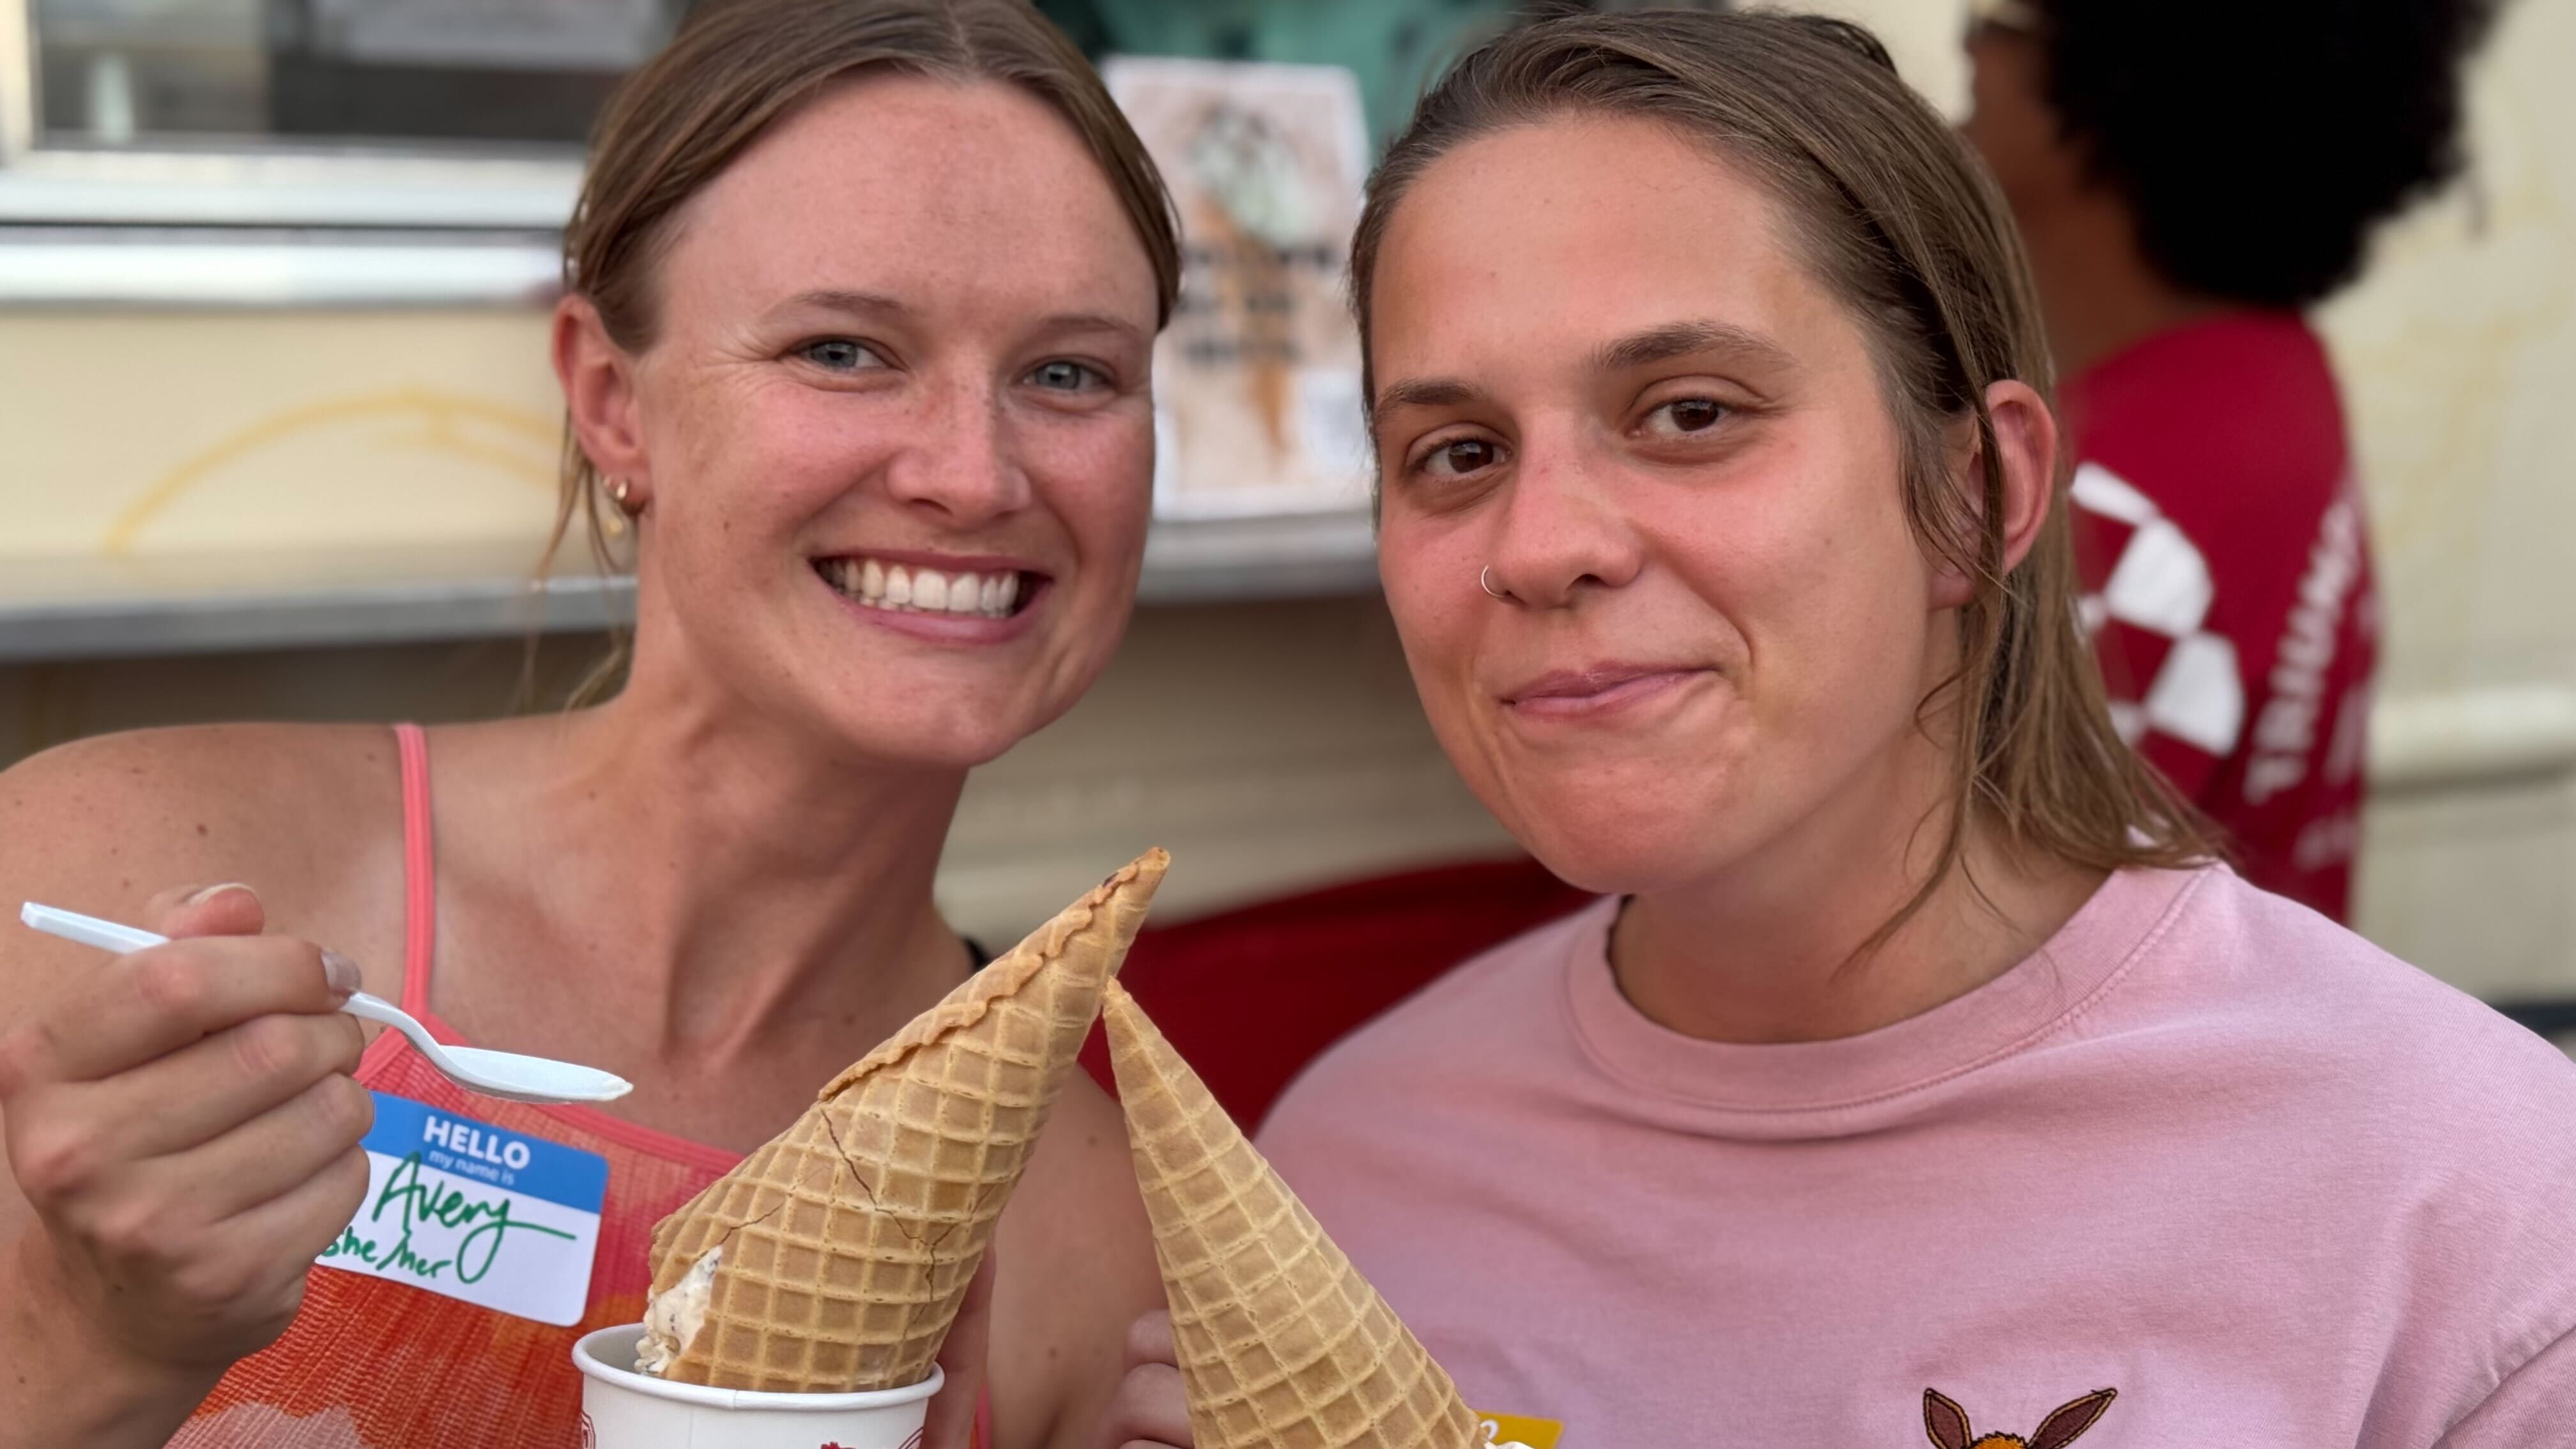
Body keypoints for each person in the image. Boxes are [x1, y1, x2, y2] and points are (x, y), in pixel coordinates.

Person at [1098, 12, 2576, 1446]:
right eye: (1458, 452)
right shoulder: (1352, 1170)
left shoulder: (2473, 1211)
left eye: (1689, 413)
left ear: (1979, 493)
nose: (1541, 545)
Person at [0, 1, 1181, 1445]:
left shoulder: (1095, 1247)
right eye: (842, 351)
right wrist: (95, 1351)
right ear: (612, 404)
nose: (972, 473)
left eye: (1070, 373)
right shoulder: (99, 877)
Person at [1959, 0, 2499, 921]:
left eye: (2007, 17)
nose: (1971, 42)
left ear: (2112, 88)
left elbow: (1975, 933)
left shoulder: (2108, 505)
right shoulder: (2277, 378)